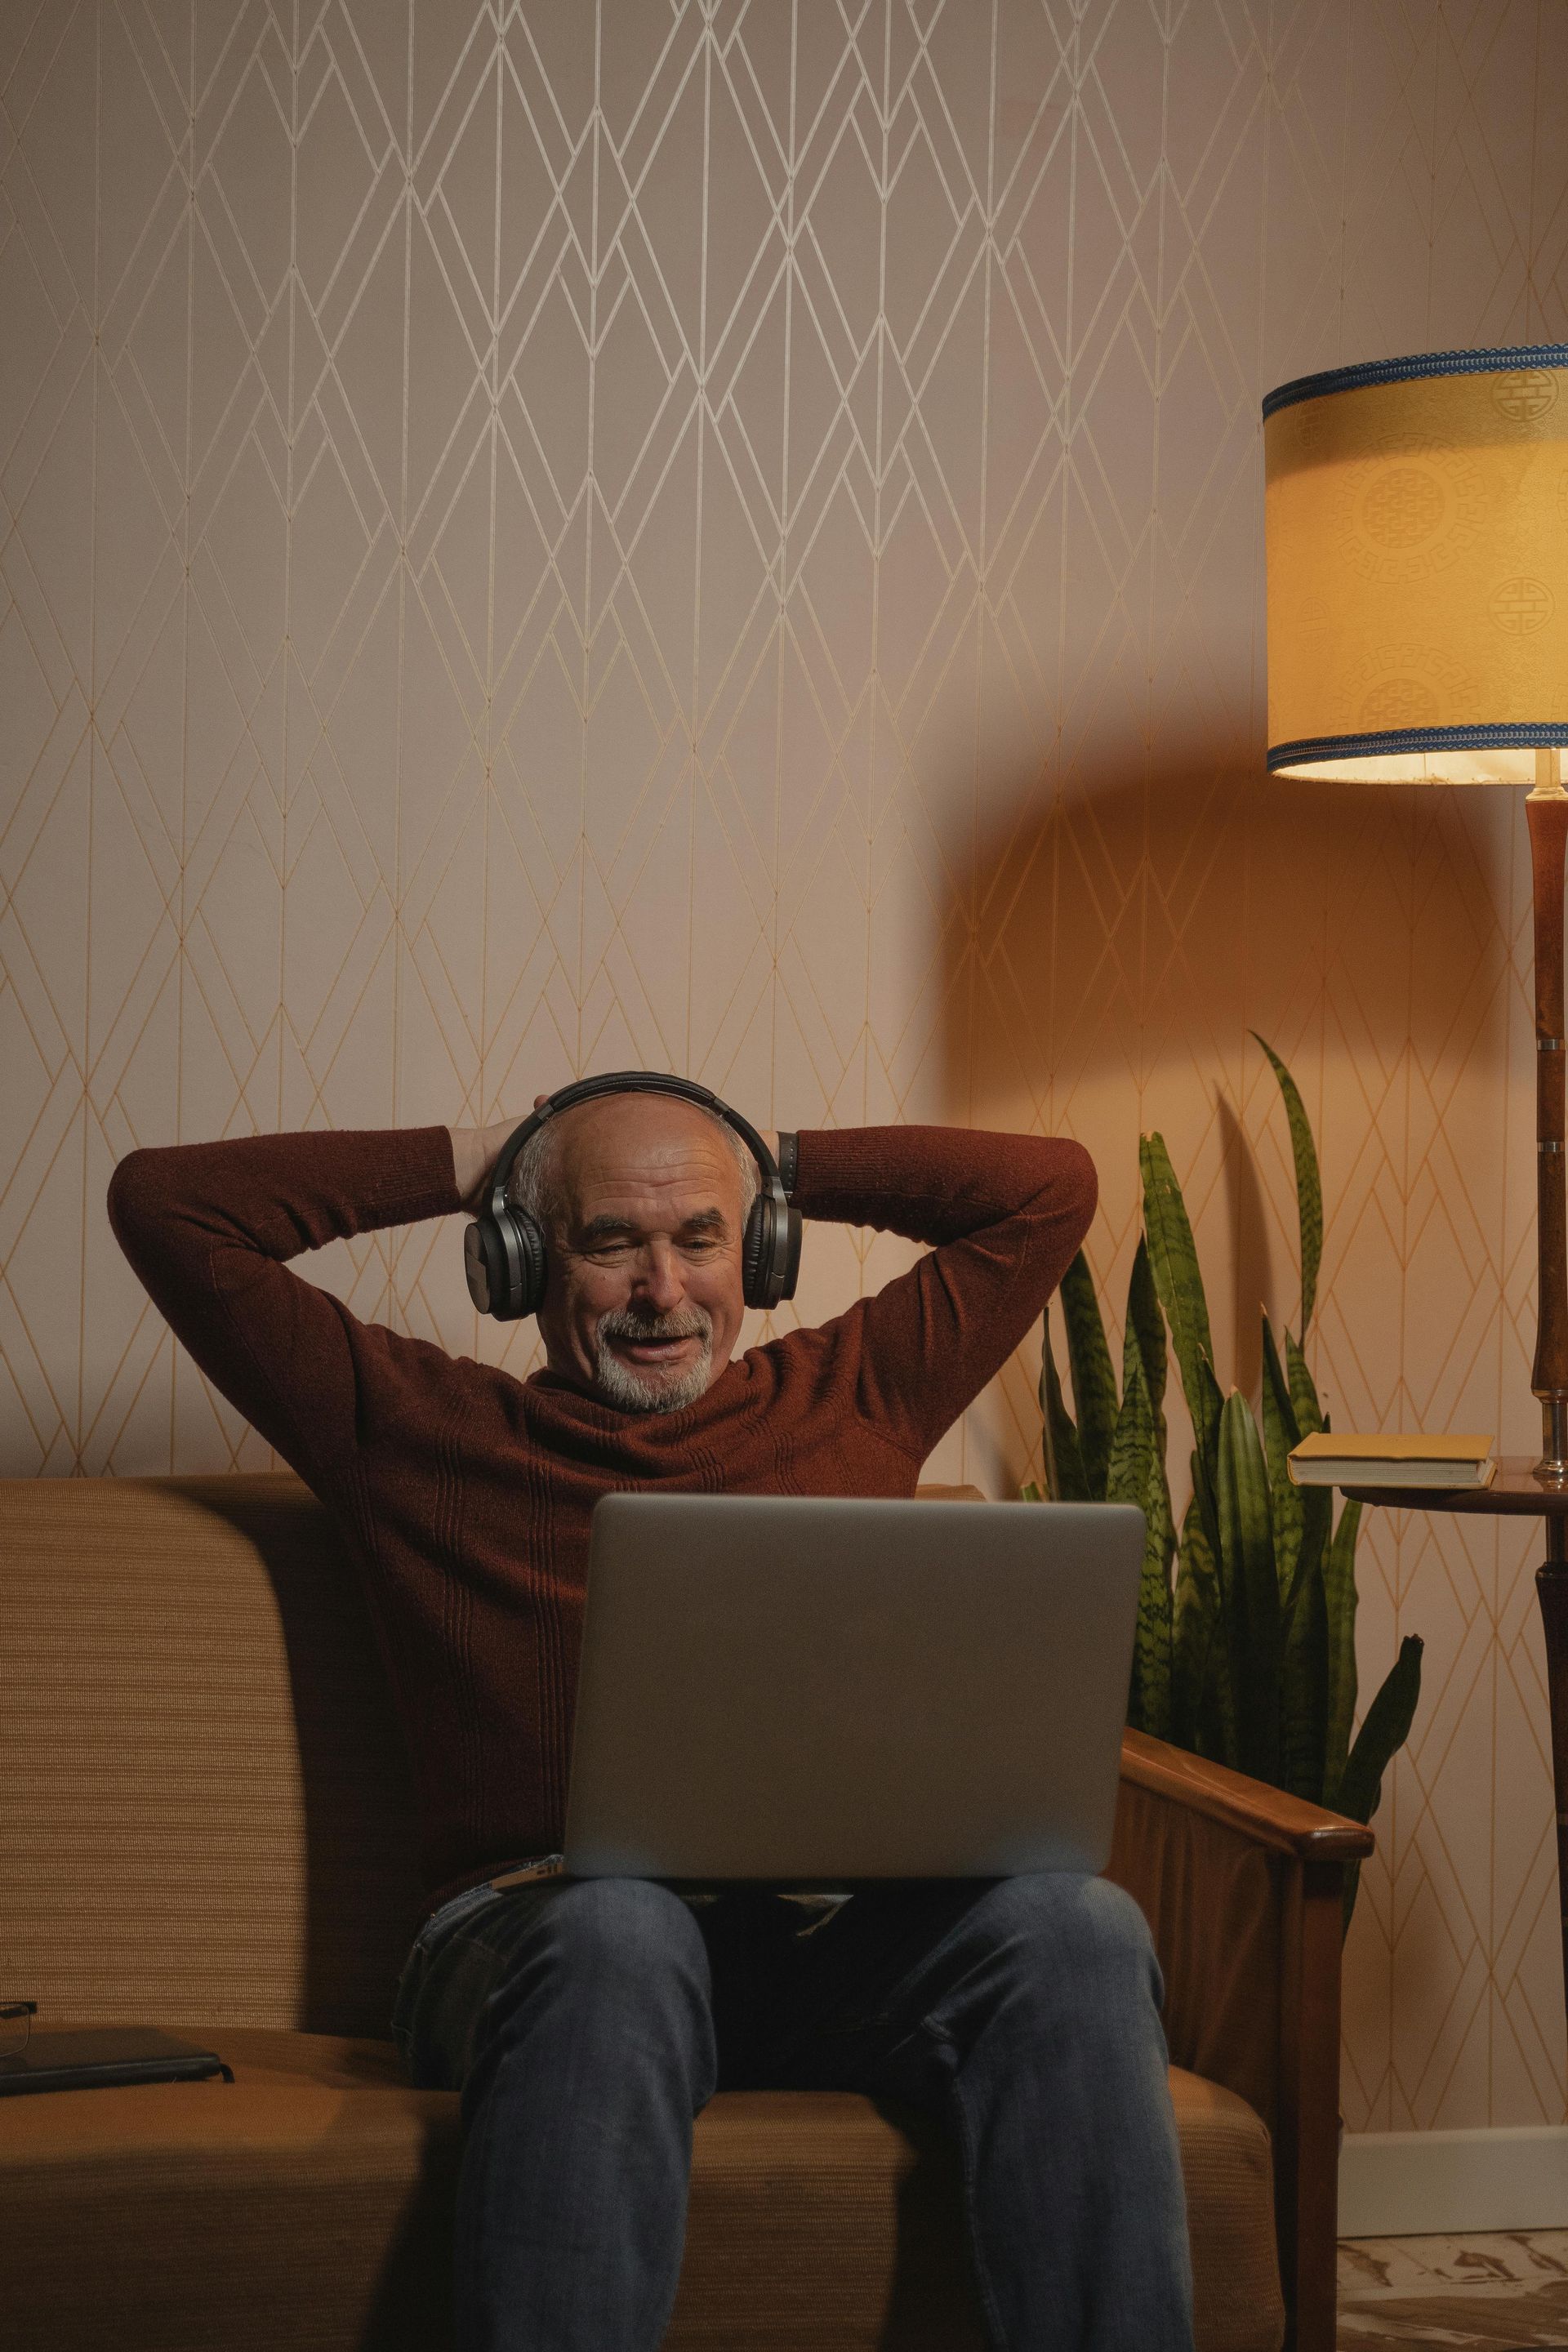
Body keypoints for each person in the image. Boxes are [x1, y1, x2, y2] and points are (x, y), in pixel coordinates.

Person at [108, 1085, 1193, 2352]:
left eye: (702, 1240)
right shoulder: (409, 1428)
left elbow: (1048, 1188)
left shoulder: (857, 1395)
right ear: (519, 1261)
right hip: (541, 1946)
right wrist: (493, 1158)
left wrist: (770, 1158)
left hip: (821, 1949)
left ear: (762, 1255)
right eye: (610, 1239)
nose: (662, 1290)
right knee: (624, 1928)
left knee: (1079, 1925)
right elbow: (167, 1208)